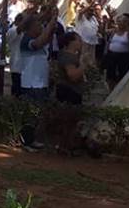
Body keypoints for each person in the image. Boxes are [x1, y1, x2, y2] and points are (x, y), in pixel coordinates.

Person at [18, 11, 58, 151]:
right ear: (30, 29)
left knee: (37, 113)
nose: (41, 28)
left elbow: (46, 39)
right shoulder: (26, 40)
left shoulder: (36, 39)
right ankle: (26, 141)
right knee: (31, 113)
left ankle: (32, 139)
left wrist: (51, 27)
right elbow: (40, 42)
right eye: (38, 26)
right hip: (31, 83)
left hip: (40, 82)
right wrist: (50, 24)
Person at [102, 13, 129, 89]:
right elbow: (105, 35)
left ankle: (118, 90)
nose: (121, 22)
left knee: (120, 75)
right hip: (111, 55)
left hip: (122, 57)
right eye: (121, 20)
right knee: (110, 76)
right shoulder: (114, 31)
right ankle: (111, 91)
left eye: (124, 21)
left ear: (128, 23)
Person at [56, 31, 85, 105]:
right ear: (71, 42)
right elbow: (73, 76)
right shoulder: (68, 57)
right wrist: (84, 64)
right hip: (69, 91)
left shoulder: (67, 54)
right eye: (79, 40)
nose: (81, 42)